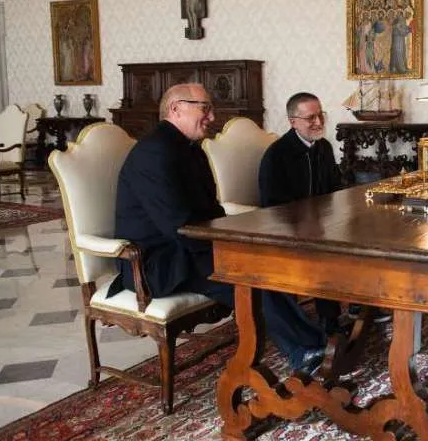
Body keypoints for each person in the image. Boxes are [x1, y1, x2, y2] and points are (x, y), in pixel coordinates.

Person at [110, 83, 326, 372]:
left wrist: (235, 244)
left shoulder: (190, 149)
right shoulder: (154, 153)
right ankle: (308, 350)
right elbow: (176, 226)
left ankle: (312, 344)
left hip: (190, 246)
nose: (212, 117)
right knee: (246, 274)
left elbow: (211, 211)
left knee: (265, 263)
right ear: (176, 109)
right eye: (205, 108)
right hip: (158, 261)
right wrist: (228, 252)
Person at [258, 92, 390, 330]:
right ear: (293, 121)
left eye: (321, 115)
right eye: (311, 118)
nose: (318, 122)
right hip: (289, 228)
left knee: (366, 230)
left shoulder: (324, 148)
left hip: (322, 222)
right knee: (324, 248)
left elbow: (335, 188)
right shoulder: (276, 155)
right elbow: (272, 205)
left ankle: (362, 301)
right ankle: (329, 321)